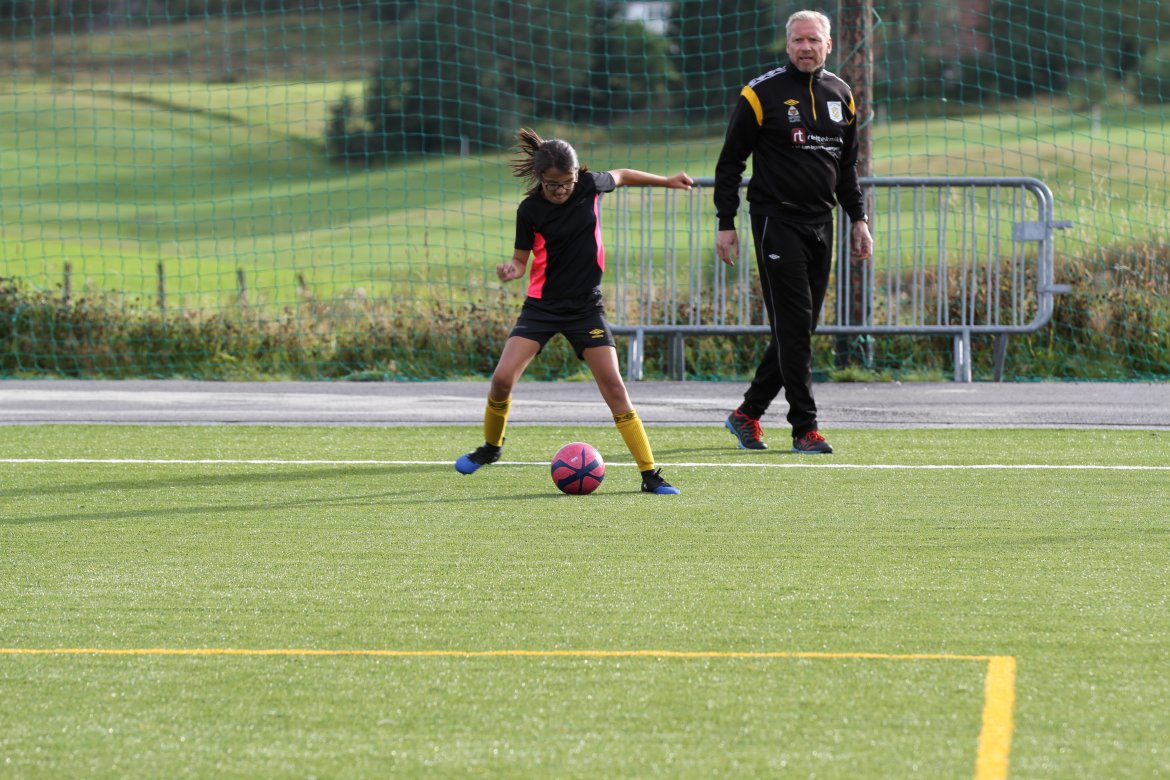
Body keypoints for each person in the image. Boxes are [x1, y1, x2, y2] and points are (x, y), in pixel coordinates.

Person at [455, 128, 693, 494]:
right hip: (541, 308)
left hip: (585, 308)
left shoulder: (590, 185)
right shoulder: (530, 210)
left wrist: (667, 181)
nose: (561, 190)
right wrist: (511, 270)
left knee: (614, 387)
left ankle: (650, 474)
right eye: (553, 184)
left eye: (567, 182)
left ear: (576, 174)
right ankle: (491, 447)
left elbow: (623, 175)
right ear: (540, 178)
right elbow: (520, 260)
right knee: (502, 380)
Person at [714, 9, 873, 454]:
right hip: (775, 221)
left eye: (814, 40)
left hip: (822, 223)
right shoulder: (760, 93)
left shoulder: (841, 93)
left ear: (828, 45)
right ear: (787, 45)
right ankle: (805, 427)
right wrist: (726, 223)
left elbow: (847, 167)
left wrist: (859, 219)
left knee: (799, 329)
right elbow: (730, 163)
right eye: (798, 40)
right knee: (795, 329)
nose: (806, 47)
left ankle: (747, 413)